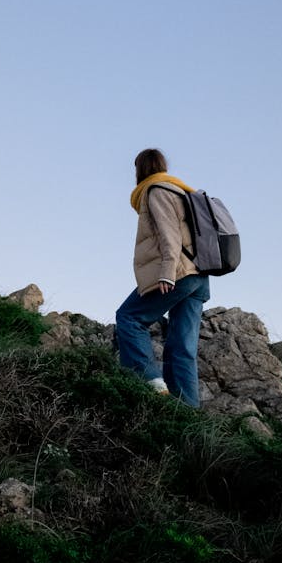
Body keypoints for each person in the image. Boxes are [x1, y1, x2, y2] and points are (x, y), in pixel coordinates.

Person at [115, 148, 210, 407]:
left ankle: (151, 382)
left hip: (177, 273)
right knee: (182, 348)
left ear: (141, 169)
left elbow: (170, 236)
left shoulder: (156, 190)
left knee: (129, 317)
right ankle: (187, 413)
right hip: (200, 276)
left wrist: (167, 273)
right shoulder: (182, 191)